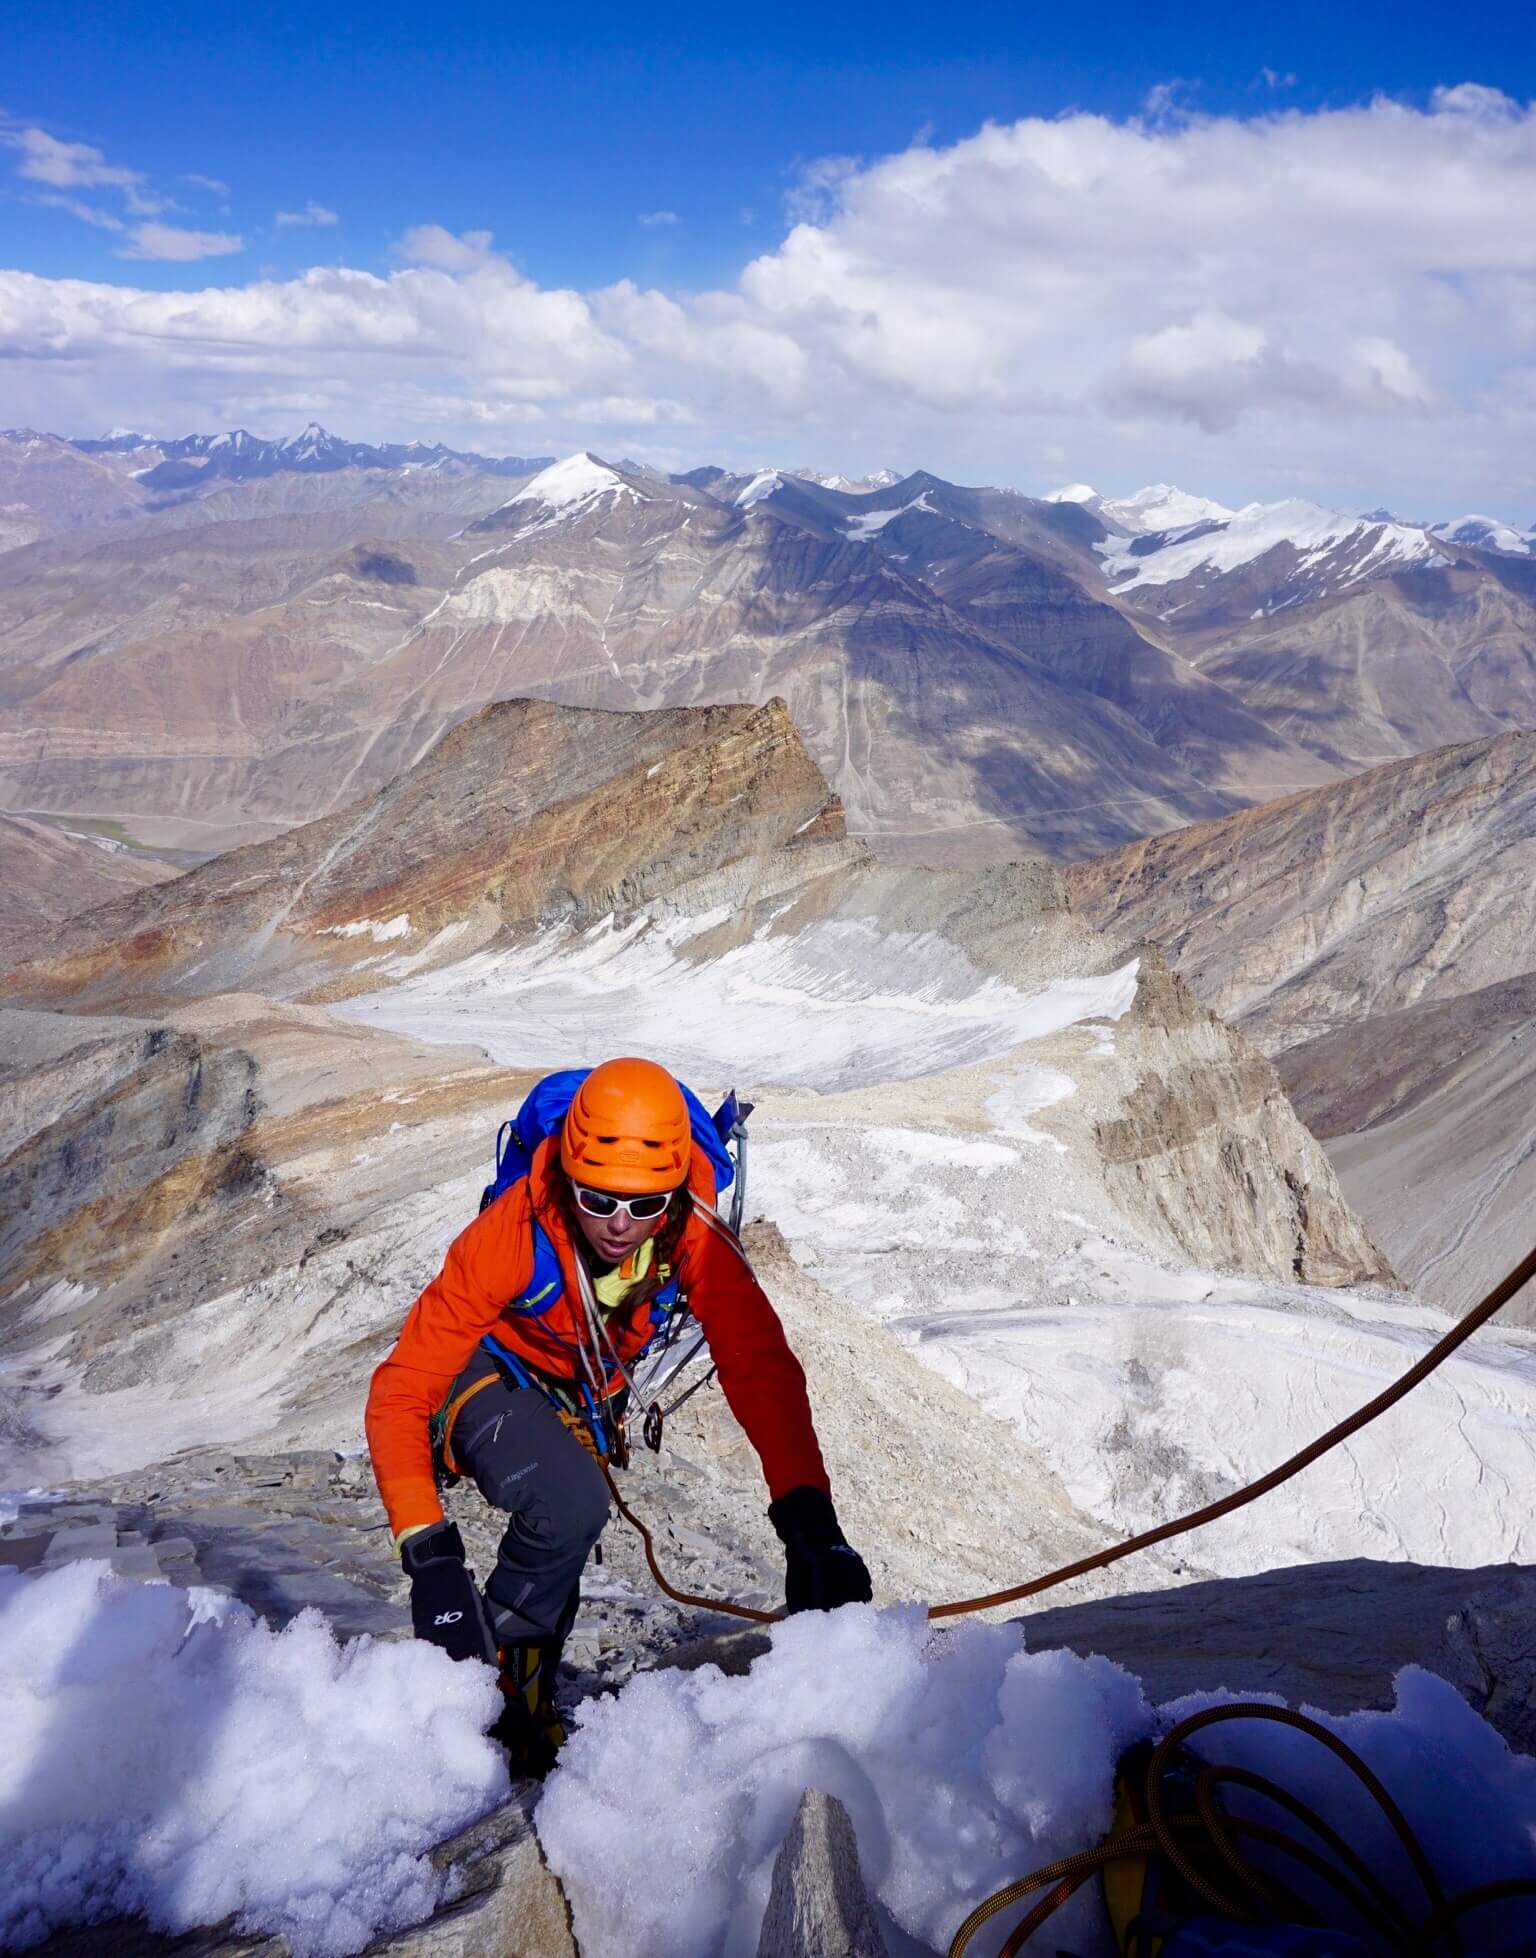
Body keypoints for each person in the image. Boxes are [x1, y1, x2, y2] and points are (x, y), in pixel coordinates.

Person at [365, 1055, 872, 1774]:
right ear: (567, 1176)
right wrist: (430, 1556)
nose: (619, 1224)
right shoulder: (512, 1232)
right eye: (597, 1199)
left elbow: (760, 1367)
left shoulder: (693, 1236)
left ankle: (521, 1700)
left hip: (579, 1383)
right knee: (569, 1503)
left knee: (567, 1518)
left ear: (674, 1191)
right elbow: (402, 1386)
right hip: (485, 1367)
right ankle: (494, 1700)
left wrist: (809, 1524)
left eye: (644, 1204)